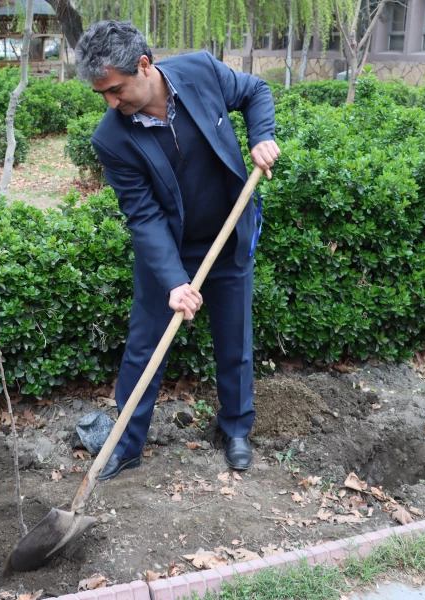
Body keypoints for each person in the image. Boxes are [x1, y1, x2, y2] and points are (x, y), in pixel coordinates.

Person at [75, 21, 280, 481]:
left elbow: (255, 91)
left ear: (144, 66)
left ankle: (235, 429)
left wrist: (261, 135)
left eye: (115, 89)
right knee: (145, 347)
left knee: (235, 338)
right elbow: (143, 216)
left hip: (227, 238)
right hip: (166, 253)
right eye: (101, 94)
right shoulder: (112, 138)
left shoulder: (201, 72)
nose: (111, 102)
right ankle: (125, 445)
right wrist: (173, 281)